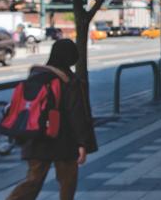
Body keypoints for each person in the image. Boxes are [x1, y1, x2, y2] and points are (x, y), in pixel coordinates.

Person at [7, 39, 96, 200]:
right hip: (64, 140)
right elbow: (76, 114)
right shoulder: (69, 80)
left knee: (33, 181)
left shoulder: (36, 75)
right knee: (67, 182)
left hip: (36, 136)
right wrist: (82, 143)